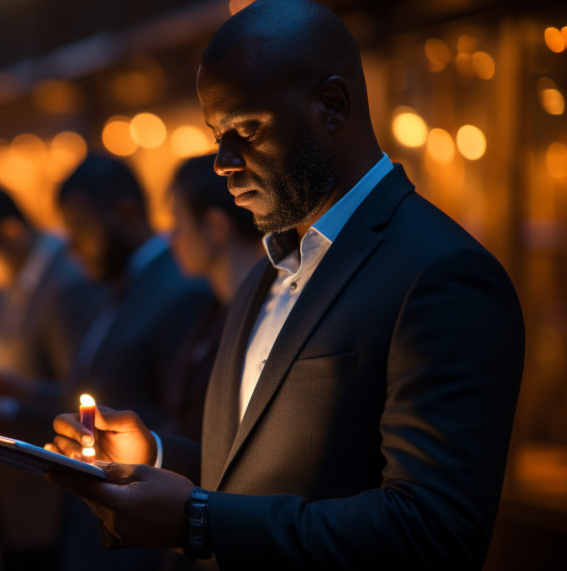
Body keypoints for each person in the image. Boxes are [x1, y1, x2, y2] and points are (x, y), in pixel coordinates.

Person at [46, 1, 525, 569]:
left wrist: (196, 518)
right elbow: (254, 478)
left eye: (246, 129)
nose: (222, 161)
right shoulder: (261, 276)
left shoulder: (443, 274)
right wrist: (152, 456)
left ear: (332, 105)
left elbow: (432, 531)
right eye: (217, 134)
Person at [56, 155, 214, 570]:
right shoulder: (110, 285)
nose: (71, 247)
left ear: (124, 212)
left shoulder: (179, 288)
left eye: (80, 230)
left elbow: (186, 414)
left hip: (143, 540)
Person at [0, 183, 104, 570]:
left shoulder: (64, 284)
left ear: (10, 232)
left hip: (49, 499)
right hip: (13, 489)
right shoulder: (8, 284)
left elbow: (80, 394)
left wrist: (9, 398)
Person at [166, 154, 262, 441]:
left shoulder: (263, 318)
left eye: (178, 222)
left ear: (215, 226)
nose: (171, 237)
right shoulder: (210, 311)